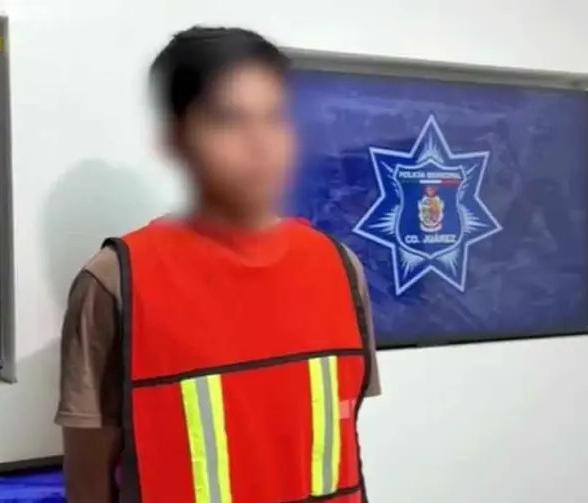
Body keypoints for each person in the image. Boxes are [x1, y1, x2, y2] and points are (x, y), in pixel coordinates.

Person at [55, 26, 381, 503]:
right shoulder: (114, 282)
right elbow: (89, 482)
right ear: (176, 138)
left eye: (274, 117)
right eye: (230, 120)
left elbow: (344, 446)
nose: (260, 144)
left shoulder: (339, 267)